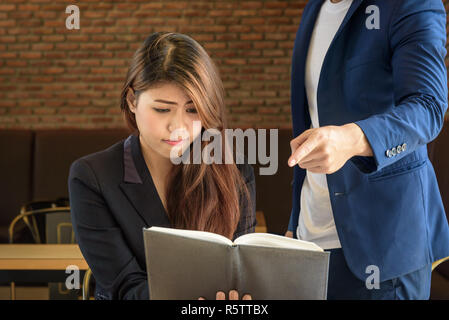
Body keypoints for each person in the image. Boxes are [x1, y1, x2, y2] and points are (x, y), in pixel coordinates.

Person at [68, 32, 255, 300]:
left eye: (192, 110)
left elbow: (241, 275)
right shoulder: (93, 177)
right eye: (162, 109)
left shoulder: (234, 173)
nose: (177, 127)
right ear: (132, 100)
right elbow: (124, 288)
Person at [285, 0, 449, 299]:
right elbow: (311, 120)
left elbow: (428, 107)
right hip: (310, 244)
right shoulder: (314, 8)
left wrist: (352, 139)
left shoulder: (408, 4)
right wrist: (295, 221)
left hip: (385, 245)